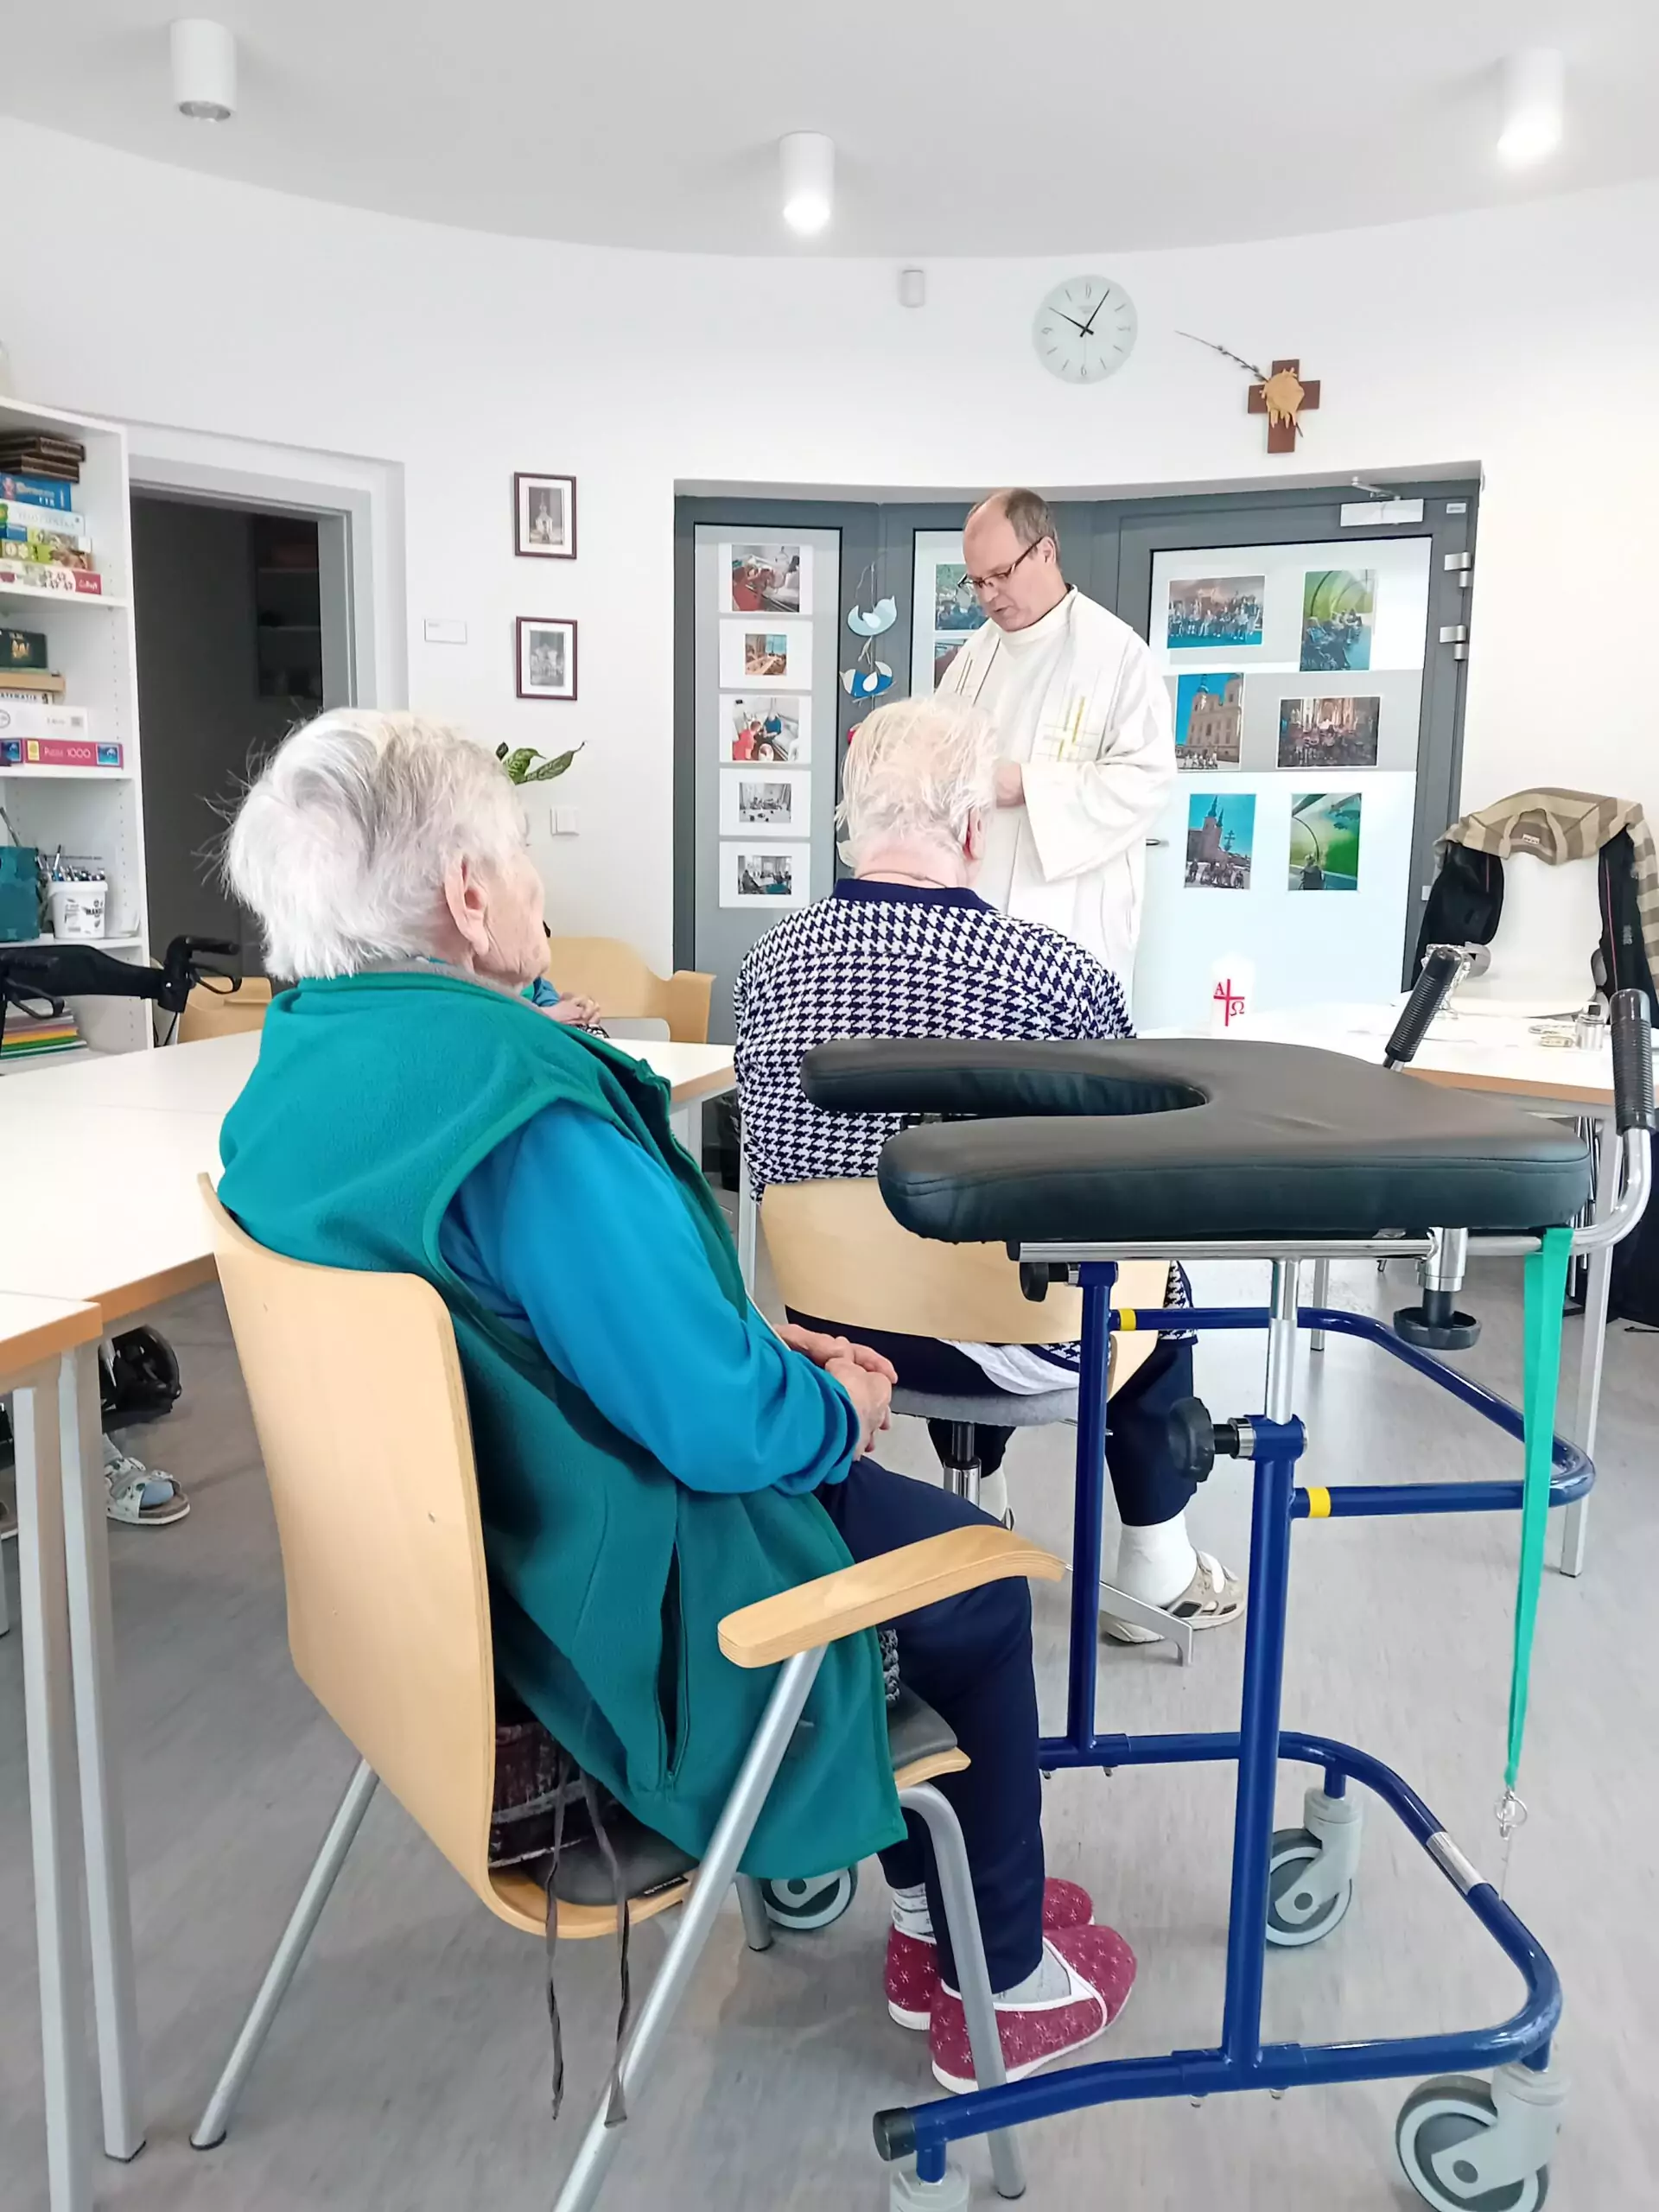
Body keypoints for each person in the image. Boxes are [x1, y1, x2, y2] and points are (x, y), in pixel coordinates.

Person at [215, 709, 1134, 2093]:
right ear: (467, 894)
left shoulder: (292, 1072)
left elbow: (553, 1331)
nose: (536, 882)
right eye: (520, 852)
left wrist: (756, 1348)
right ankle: (994, 1979)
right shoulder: (522, 1114)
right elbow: (718, 1426)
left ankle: (929, 1903)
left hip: (443, 1613)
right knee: (977, 1588)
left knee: (880, 1511)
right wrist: (837, 1404)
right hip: (628, 1614)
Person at [734, 695, 1243, 1639]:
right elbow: (1127, 1168)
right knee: (1150, 1274)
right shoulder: (1054, 973)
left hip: (830, 1330)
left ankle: (984, 1502)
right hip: (1015, 1339)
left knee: (928, 1245)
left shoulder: (767, 964)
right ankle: (1158, 1569)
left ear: (852, 822)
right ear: (974, 827)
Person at [938, 488, 1175, 987]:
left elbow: (1147, 780)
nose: (988, 596)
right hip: (977, 918)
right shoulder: (973, 657)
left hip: (1072, 917)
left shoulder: (1117, 654)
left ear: (1045, 551)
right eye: (977, 582)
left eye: (1001, 575)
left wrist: (1027, 785)